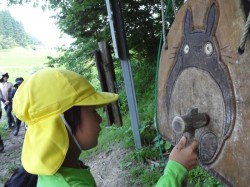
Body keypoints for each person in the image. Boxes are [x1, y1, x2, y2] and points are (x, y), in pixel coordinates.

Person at [13, 68, 198, 186]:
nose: (100, 120)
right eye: (93, 111)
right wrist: (175, 171)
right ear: (63, 123)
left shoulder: (62, 171)